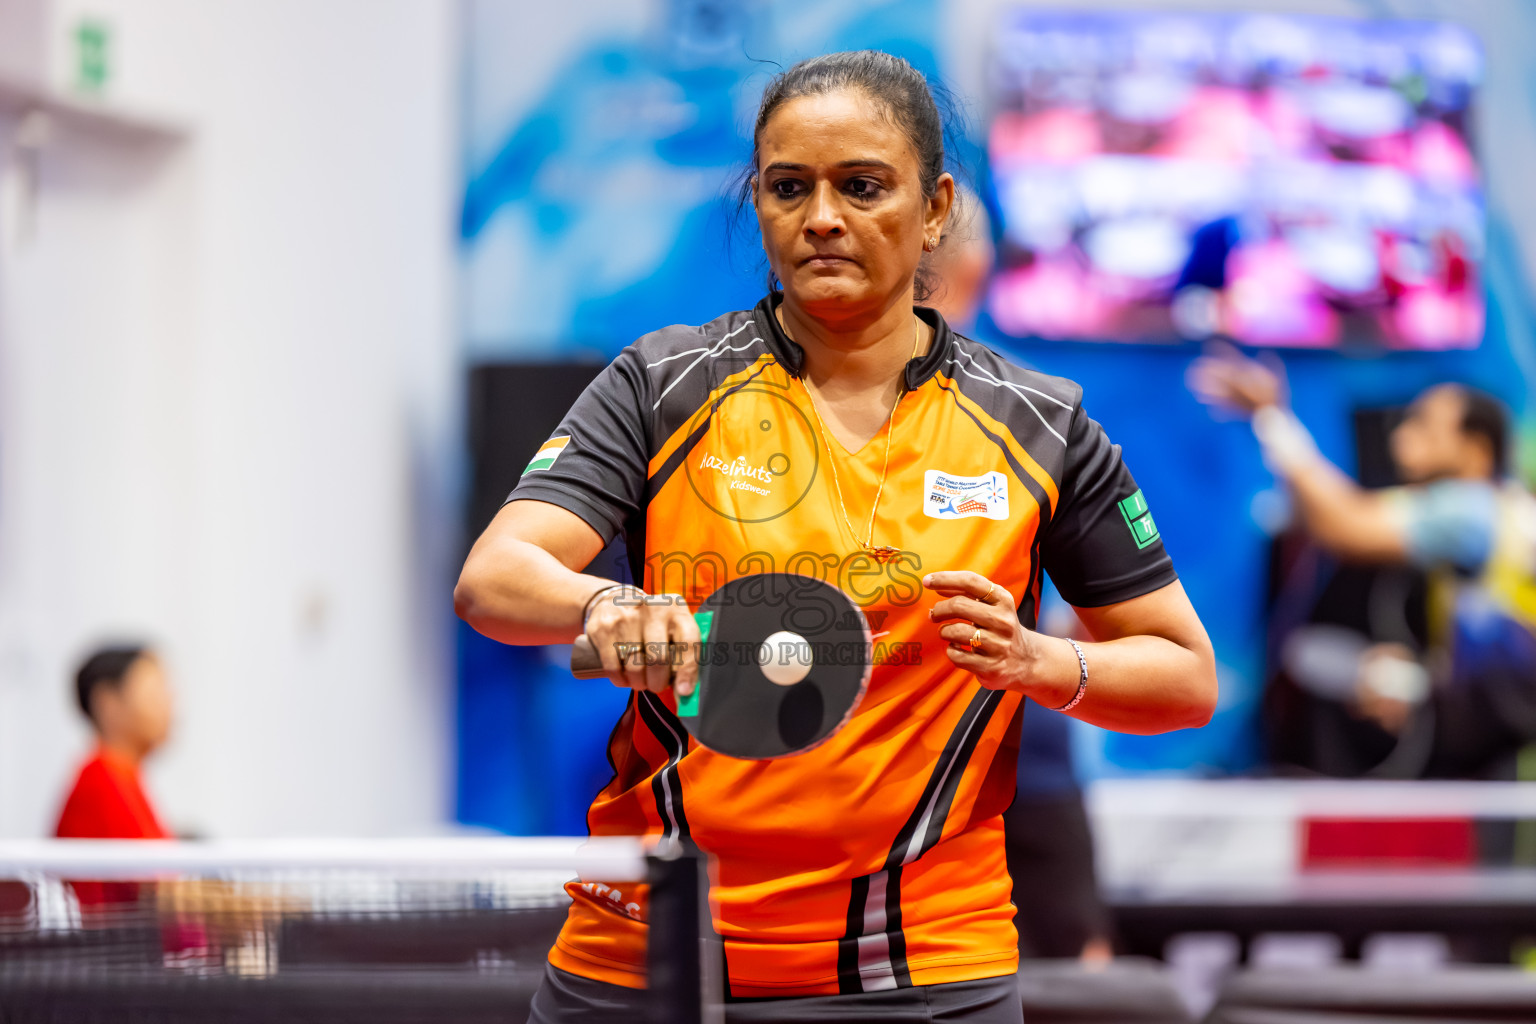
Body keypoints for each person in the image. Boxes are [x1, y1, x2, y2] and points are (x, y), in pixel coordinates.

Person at [457, 51, 1216, 1022]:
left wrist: (1039, 660)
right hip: (648, 961)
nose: (821, 216)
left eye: (862, 186)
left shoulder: (1041, 426)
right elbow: (495, 575)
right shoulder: (663, 385)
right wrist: (606, 603)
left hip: (925, 971)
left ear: (935, 207)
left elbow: (1185, 676)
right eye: (788, 187)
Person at [1189, 347, 1536, 779]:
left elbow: (1345, 524)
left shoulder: (1471, 510)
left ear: (1477, 451)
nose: (1401, 437)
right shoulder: (1494, 513)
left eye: (1426, 426)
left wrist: (1271, 417)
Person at [55, 644, 174, 911]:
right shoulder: (101, 780)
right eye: (154, 693)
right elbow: (158, 889)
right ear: (107, 702)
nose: (169, 705)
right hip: (113, 947)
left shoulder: (126, 777)